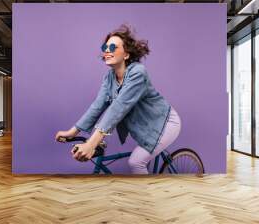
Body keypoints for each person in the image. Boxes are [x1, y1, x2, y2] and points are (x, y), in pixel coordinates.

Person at [55, 24, 181, 174]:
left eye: (113, 47)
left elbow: (118, 108)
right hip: (144, 128)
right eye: (105, 47)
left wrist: (91, 143)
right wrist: (72, 132)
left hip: (165, 124)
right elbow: (97, 106)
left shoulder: (138, 73)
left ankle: (148, 197)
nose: (107, 50)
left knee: (136, 162)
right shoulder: (109, 77)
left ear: (126, 55)